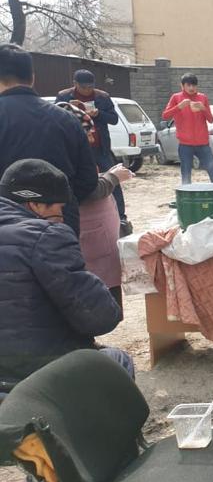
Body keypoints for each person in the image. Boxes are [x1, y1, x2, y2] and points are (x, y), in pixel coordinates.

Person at [0, 158, 134, 395]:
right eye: (58, 207)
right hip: (34, 374)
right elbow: (101, 318)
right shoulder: (46, 237)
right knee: (118, 360)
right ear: (35, 205)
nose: (61, 215)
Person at [0, 44, 97, 237]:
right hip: (60, 223)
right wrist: (56, 202)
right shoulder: (67, 119)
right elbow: (88, 179)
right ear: (33, 77)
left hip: (7, 228)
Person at [55, 69, 129, 232]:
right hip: (75, 149)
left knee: (113, 178)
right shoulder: (64, 96)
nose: (87, 90)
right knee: (80, 180)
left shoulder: (102, 96)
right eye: (84, 87)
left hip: (99, 147)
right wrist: (69, 108)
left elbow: (114, 119)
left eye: (90, 87)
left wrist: (98, 113)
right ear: (75, 84)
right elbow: (55, 117)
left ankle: (121, 216)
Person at [161, 73, 213, 185]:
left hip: (203, 144)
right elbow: (165, 115)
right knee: (186, 174)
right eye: (188, 85)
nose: (192, 88)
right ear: (182, 86)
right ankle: (186, 198)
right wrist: (179, 106)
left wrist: (203, 108)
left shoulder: (202, 98)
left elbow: (211, 120)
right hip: (185, 144)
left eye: (194, 85)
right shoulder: (176, 97)